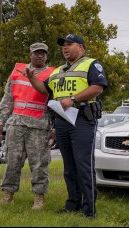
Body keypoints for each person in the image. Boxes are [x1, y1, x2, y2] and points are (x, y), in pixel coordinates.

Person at [26, 34, 107, 218]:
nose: (65, 47)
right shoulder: (57, 71)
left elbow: (98, 87)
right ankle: (73, 205)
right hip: (62, 121)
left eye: (69, 44)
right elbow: (44, 89)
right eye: (63, 45)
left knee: (83, 165)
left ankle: (89, 210)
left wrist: (73, 99)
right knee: (69, 167)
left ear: (81, 47)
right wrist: (32, 78)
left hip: (82, 119)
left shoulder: (91, 64)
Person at [0, 43, 56, 210]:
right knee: (12, 161)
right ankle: (7, 195)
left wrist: (54, 129)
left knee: (40, 164)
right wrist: (0, 121)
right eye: (36, 53)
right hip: (16, 125)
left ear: (47, 56)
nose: (40, 56)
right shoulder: (17, 71)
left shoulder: (53, 75)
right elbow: (8, 99)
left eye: (43, 53)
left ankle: (39, 198)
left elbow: (55, 104)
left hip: (40, 127)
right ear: (30, 54)